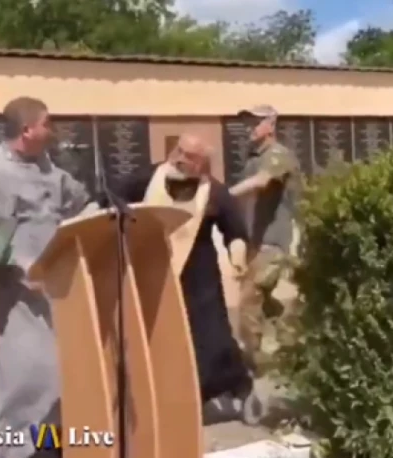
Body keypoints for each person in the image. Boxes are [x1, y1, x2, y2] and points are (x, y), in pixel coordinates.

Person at [0, 96, 92, 458]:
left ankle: (48, 448)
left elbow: (76, 202)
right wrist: (24, 270)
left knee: (58, 375)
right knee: (16, 377)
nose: (52, 130)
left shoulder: (46, 166)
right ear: (27, 130)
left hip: (57, 289)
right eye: (47, 123)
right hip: (18, 295)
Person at [102, 132, 262, 424]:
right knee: (160, 341)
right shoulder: (147, 179)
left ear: (201, 164)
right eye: (178, 150)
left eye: (188, 156)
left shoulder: (214, 192)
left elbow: (234, 229)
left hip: (200, 281)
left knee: (212, 340)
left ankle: (239, 387)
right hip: (153, 274)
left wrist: (237, 254)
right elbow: (111, 198)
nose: (178, 158)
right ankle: (172, 400)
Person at [229, 105, 298, 376]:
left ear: (271, 125)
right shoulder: (252, 159)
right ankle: (294, 345)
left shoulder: (278, 155)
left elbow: (262, 181)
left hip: (273, 243)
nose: (250, 128)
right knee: (265, 303)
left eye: (256, 122)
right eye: (248, 123)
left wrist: (224, 195)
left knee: (249, 300)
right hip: (255, 244)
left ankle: (252, 366)